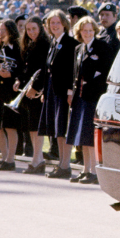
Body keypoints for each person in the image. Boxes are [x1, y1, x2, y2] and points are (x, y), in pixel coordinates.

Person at [66, 16, 110, 184]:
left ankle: (93, 171)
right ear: (80, 32)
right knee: (81, 135)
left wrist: (91, 81)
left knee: (90, 135)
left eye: (90, 30)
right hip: (80, 97)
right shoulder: (78, 49)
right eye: (85, 30)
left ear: (95, 31)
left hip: (93, 96)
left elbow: (104, 71)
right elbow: (74, 73)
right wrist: (71, 92)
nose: (88, 33)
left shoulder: (102, 47)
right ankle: (85, 169)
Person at [40, 11, 78, 179]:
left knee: (63, 128)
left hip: (64, 92)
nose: (54, 25)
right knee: (57, 130)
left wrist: (70, 91)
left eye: (57, 22)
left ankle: (65, 164)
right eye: (51, 23)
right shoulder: (53, 43)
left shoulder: (71, 43)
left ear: (64, 23)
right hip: (52, 91)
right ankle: (62, 163)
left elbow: (73, 70)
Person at [0, 19, 23, 171]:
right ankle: (5, 157)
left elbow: (21, 69)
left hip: (9, 91)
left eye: (3, 30)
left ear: (10, 32)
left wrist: (11, 75)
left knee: (10, 126)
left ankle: (10, 159)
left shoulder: (18, 48)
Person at [19, 16, 50, 175]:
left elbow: (43, 69)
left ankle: (37, 160)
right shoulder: (29, 44)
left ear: (40, 29)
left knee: (36, 126)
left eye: (34, 29)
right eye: (28, 29)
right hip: (28, 90)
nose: (31, 32)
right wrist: (20, 81)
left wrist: (35, 87)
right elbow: (26, 68)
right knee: (32, 126)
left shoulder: (44, 44)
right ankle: (37, 159)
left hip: (37, 92)